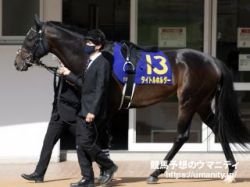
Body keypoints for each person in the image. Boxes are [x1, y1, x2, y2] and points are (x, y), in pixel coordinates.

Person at [21, 61, 110, 183]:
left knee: (85, 145)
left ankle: (106, 166)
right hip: (58, 114)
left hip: (73, 114)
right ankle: (38, 173)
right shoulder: (62, 67)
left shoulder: (81, 68)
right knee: (47, 143)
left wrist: (69, 75)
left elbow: (85, 88)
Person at [59, 29, 117, 187]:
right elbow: (84, 86)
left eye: (90, 43)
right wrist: (68, 74)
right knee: (80, 145)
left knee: (85, 142)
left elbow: (101, 89)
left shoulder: (103, 63)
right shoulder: (89, 62)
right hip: (83, 109)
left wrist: (92, 111)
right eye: (87, 42)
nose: (87, 45)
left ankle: (109, 165)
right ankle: (87, 179)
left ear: (98, 46)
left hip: (92, 111)